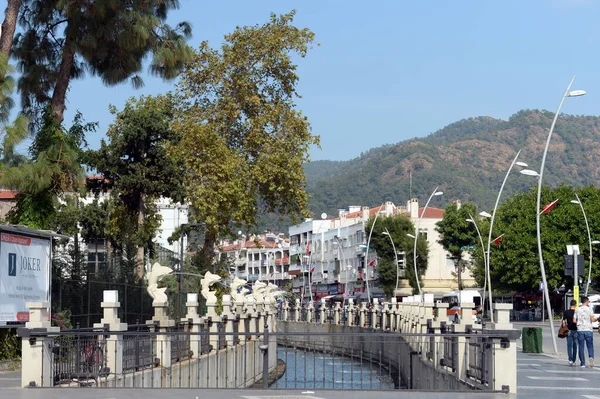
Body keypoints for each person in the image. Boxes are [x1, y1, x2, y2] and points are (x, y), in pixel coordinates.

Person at [573, 296, 600, 368]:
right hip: (588, 329)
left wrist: (579, 323)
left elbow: (574, 320)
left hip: (580, 330)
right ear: (586, 302)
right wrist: (597, 319)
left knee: (581, 346)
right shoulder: (589, 309)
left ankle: (582, 363)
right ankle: (591, 357)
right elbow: (592, 319)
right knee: (590, 345)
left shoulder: (577, 309)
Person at [562, 299, 578, 366]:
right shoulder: (577, 312)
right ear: (575, 305)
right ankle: (574, 360)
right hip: (576, 330)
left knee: (569, 346)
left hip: (569, 330)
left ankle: (570, 360)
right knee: (575, 346)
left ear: (570, 304)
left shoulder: (566, 312)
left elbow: (563, 321)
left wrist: (564, 327)